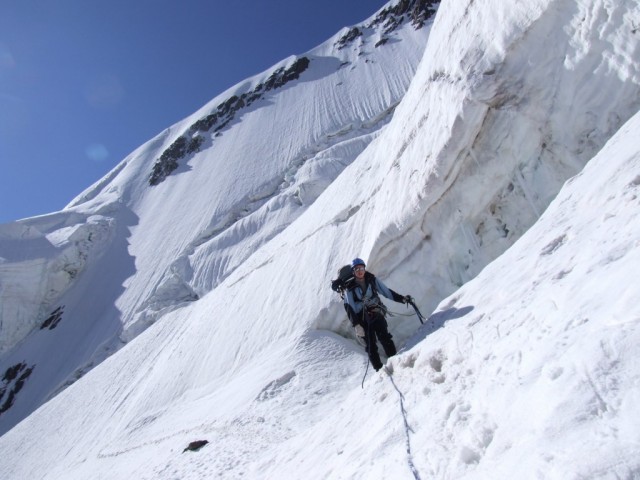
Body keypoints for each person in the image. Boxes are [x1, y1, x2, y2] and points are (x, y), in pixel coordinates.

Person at [343, 258, 412, 371]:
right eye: (356, 269)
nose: (360, 271)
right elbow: (349, 307)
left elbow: (386, 292)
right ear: (353, 272)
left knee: (385, 338)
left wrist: (402, 299)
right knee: (371, 346)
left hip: (376, 312)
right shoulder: (349, 288)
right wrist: (356, 325)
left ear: (364, 268)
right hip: (362, 319)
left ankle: (395, 362)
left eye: (361, 268)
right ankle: (379, 371)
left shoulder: (371, 279)